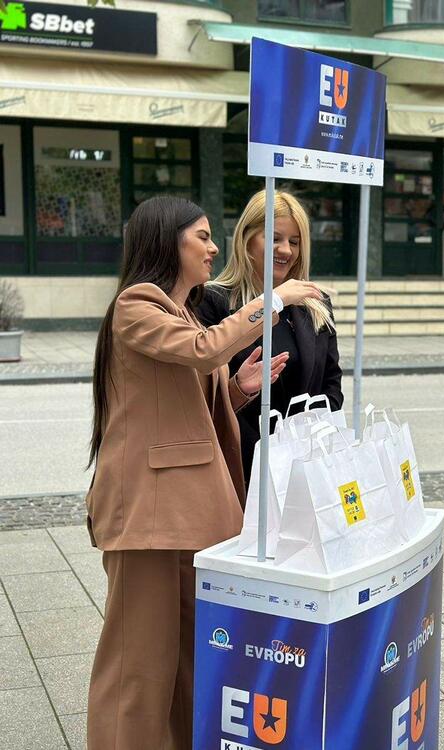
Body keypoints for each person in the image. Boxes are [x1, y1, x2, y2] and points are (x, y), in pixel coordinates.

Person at [86, 196, 322, 749]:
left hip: (191, 514)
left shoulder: (183, 313)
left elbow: (188, 399)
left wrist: (241, 388)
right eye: (203, 237)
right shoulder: (136, 305)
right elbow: (201, 351)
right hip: (146, 517)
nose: (214, 248)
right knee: (137, 664)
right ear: (168, 242)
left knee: (190, 657)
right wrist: (272, 301)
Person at [198, 190, 343, 486]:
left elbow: (331, 384)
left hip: (303, 462)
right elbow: (204, 396)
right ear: (247, 239)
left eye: (294, 241)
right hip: (239, 464)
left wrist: (303, 440)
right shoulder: (212, 300)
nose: (286, 250)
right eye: (274, 238)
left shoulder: (315, 303)